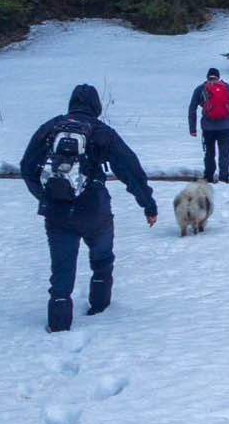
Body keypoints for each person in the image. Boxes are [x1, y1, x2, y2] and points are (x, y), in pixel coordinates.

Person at [20, 84, 158, 332]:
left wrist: (44, 196)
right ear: (97, 106)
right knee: (102, 258)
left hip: (57, 212)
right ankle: (100, 308)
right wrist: (148, 204)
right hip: (95, 209)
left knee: (61, 272)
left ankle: (59, 324)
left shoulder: (51, 127)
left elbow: (27, 167)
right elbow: (130, 169)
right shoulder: (102, 131)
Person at [187, 66, 229, 183]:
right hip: (225, 126)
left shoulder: (200, 89)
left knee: (209, 153)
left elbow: (192, 109)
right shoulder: (227, 87)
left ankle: (208, 177)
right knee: (224, 153)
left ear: (207, 76)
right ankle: (224, 178)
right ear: (218, 76)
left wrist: (192, 128)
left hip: (208, 127)